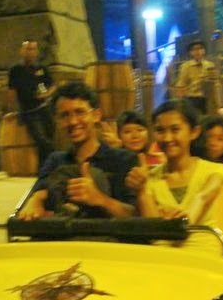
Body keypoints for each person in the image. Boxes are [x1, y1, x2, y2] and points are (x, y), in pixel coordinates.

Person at [17, 81, 138, 220]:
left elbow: (135, 216)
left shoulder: (123, 159)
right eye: (64, 115)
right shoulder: (55, 160)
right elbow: (39, 192)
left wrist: (100, 199)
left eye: (80, 112)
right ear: (57, 121)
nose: (73, 122)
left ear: (96, 115)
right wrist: (36, 200)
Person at [125, 100, 223, 256]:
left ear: (194, 132)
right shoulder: (150, 178)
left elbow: (203, 197)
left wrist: (184, 219)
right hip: (164, 257)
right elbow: (155, 234)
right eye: (160, 130)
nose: (167, 138)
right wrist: (141, 190)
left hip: (205, 253)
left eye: (175, 130)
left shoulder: (213, 170)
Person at [7, 40, 56, 167]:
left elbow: (52, 85)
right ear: (21, 51)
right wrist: (12, 110)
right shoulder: (15, 70)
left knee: (49, 136)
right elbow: (11, 92)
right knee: (41, 139)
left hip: (43, 108)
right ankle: (54, 160)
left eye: (33, 49)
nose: (30, 52)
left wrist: (46, 94)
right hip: (28, 111)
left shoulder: (41, 68)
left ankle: (44, 167)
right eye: (28, 49)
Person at [174, 40, 217, 114]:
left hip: (207, 99)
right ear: (190, 52)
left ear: (204, 51)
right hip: (191, 99)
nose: (197, 51)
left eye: (200, 48)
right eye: (194, 49)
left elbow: (215, 85)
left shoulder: (210, 65)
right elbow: (181, 86)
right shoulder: (185, 66)